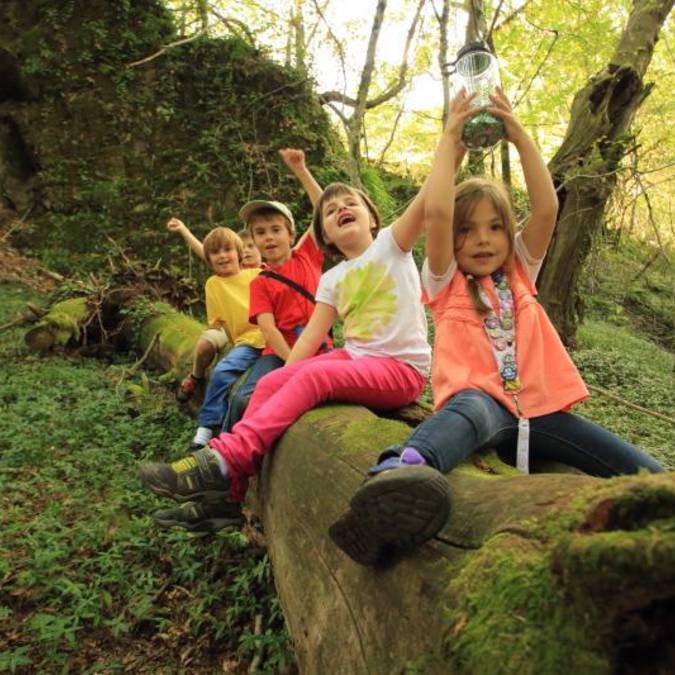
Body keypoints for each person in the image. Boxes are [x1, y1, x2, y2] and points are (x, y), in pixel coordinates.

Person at [328, 88, 664, 566]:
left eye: (494, 227)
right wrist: (450, 141)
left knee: (643, 472)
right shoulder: (444, 281)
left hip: (541, 411)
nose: (481, 239)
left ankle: (660, 497)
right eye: (467, 230)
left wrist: (519, 134)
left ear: (509, 234)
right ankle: (392, 479)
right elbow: (438, 211)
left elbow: (547, 209)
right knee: (468, 413)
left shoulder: (520, 272)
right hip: (482, 403)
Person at [139, 144, 449, 533]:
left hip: (400, 371)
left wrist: (452, 138)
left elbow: (430, 195)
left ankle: (224, 457)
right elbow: (308, 343)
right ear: (325, 236)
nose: (340, 210)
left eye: (349, 204)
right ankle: (232, 498)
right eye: (331, 212)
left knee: (313, 378)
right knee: (270, 382)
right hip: (356, 358)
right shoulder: (333, 279)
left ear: (372, 217)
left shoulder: (392, 245)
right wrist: (286, 378)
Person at [220, 148, 331, 433]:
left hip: (322, 350)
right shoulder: (260, 282)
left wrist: (301, 170)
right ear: (253, 241)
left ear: (291, 234)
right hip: (279, 353)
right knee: (245, 398)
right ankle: (225, 454)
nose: (268, 237)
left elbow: (323, 209)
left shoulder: (306, 255)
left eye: (275, 229)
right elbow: (268, 330)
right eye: (260, 233)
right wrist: (292, 363)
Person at [179, 225, 265, 450]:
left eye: (227, 250)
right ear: (209, 259)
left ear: (239, 254)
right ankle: (206, 428)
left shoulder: (256, 274)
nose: (223, 256)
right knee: (222, 371)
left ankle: (231, 443)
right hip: (247, 342)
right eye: (216, 252)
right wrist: (234, 343)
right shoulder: (213, 285)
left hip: (272, 338)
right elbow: (221, 322)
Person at [167, 218, 263, 403]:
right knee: (205, 345)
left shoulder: (264, 272)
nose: (249, 250)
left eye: (252, 245)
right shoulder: (228, 269)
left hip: (256, 329)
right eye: (246, 246)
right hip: (228, 323)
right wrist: (184, 230)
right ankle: (195, 376)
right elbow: (206, 252)